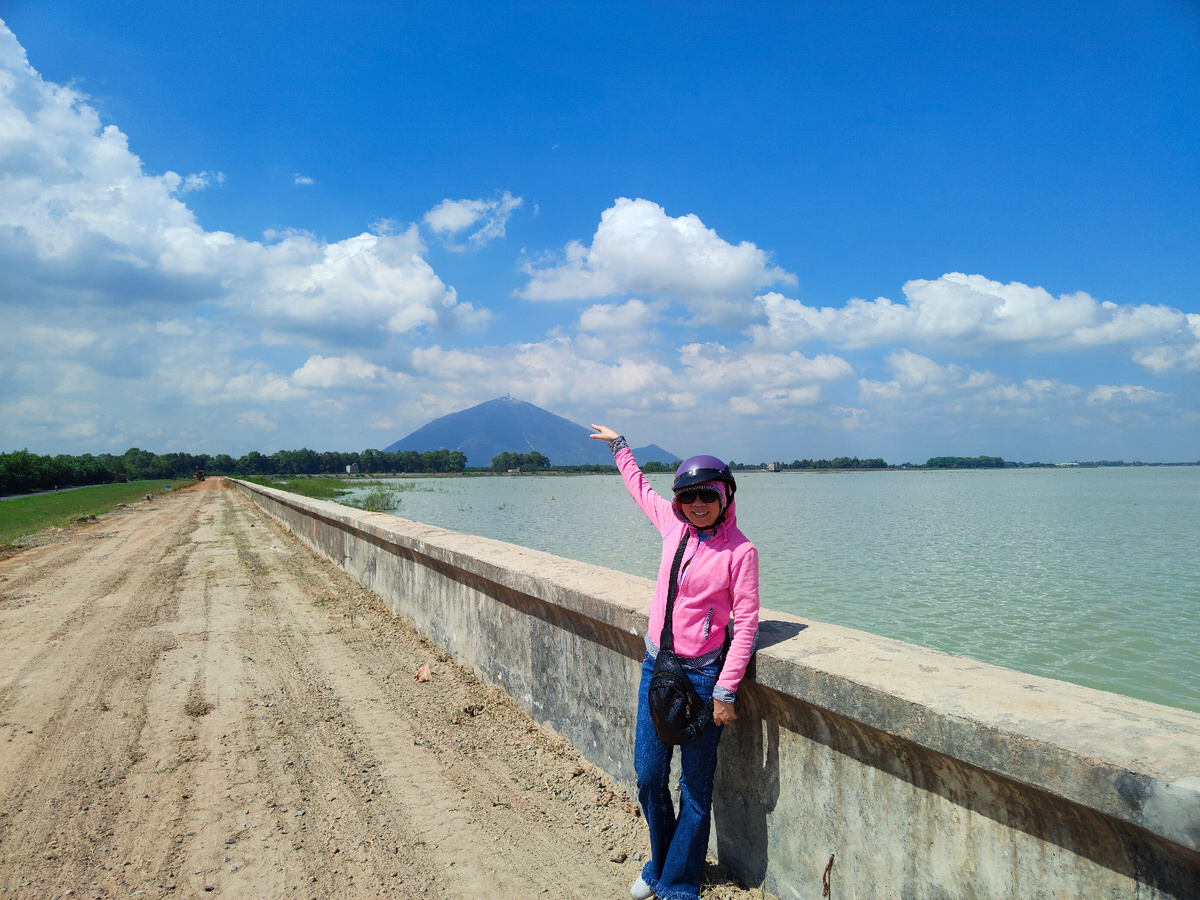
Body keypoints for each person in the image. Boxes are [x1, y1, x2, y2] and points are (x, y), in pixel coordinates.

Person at [590, 425, 760, 900]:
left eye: (708, 494)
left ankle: (678, 881)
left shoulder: (741, 553)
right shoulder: (671, 524)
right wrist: (620, 447)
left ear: (725, 496)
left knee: (694, 784)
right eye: (688, 496)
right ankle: (660, 860)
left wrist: (726, 690)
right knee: (648, 775)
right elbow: (639, 487)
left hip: (705, 676)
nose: (698, 503)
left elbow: (745, 623)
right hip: (657, 665)